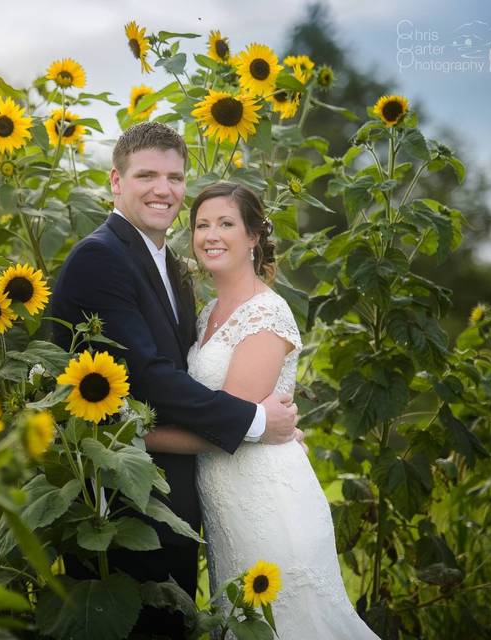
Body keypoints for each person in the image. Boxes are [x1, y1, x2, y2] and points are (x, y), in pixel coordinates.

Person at [50, 122, 300, 638]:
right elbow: (150, 376)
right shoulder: (102, 257)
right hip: (121, 511)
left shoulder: (169, 267)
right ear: (116, 182)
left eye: (174, 177)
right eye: (146, 175)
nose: (163, 189)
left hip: (178, 505)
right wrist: (255, 421)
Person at [145, 182, 378, 638]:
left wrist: (133, 438)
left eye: (226, 224)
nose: (211, 235)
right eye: (202, 225)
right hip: (226, 503)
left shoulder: (266, 314)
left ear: (253, 236)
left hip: (267, 500)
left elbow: (222, 425)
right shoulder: (208, 310)